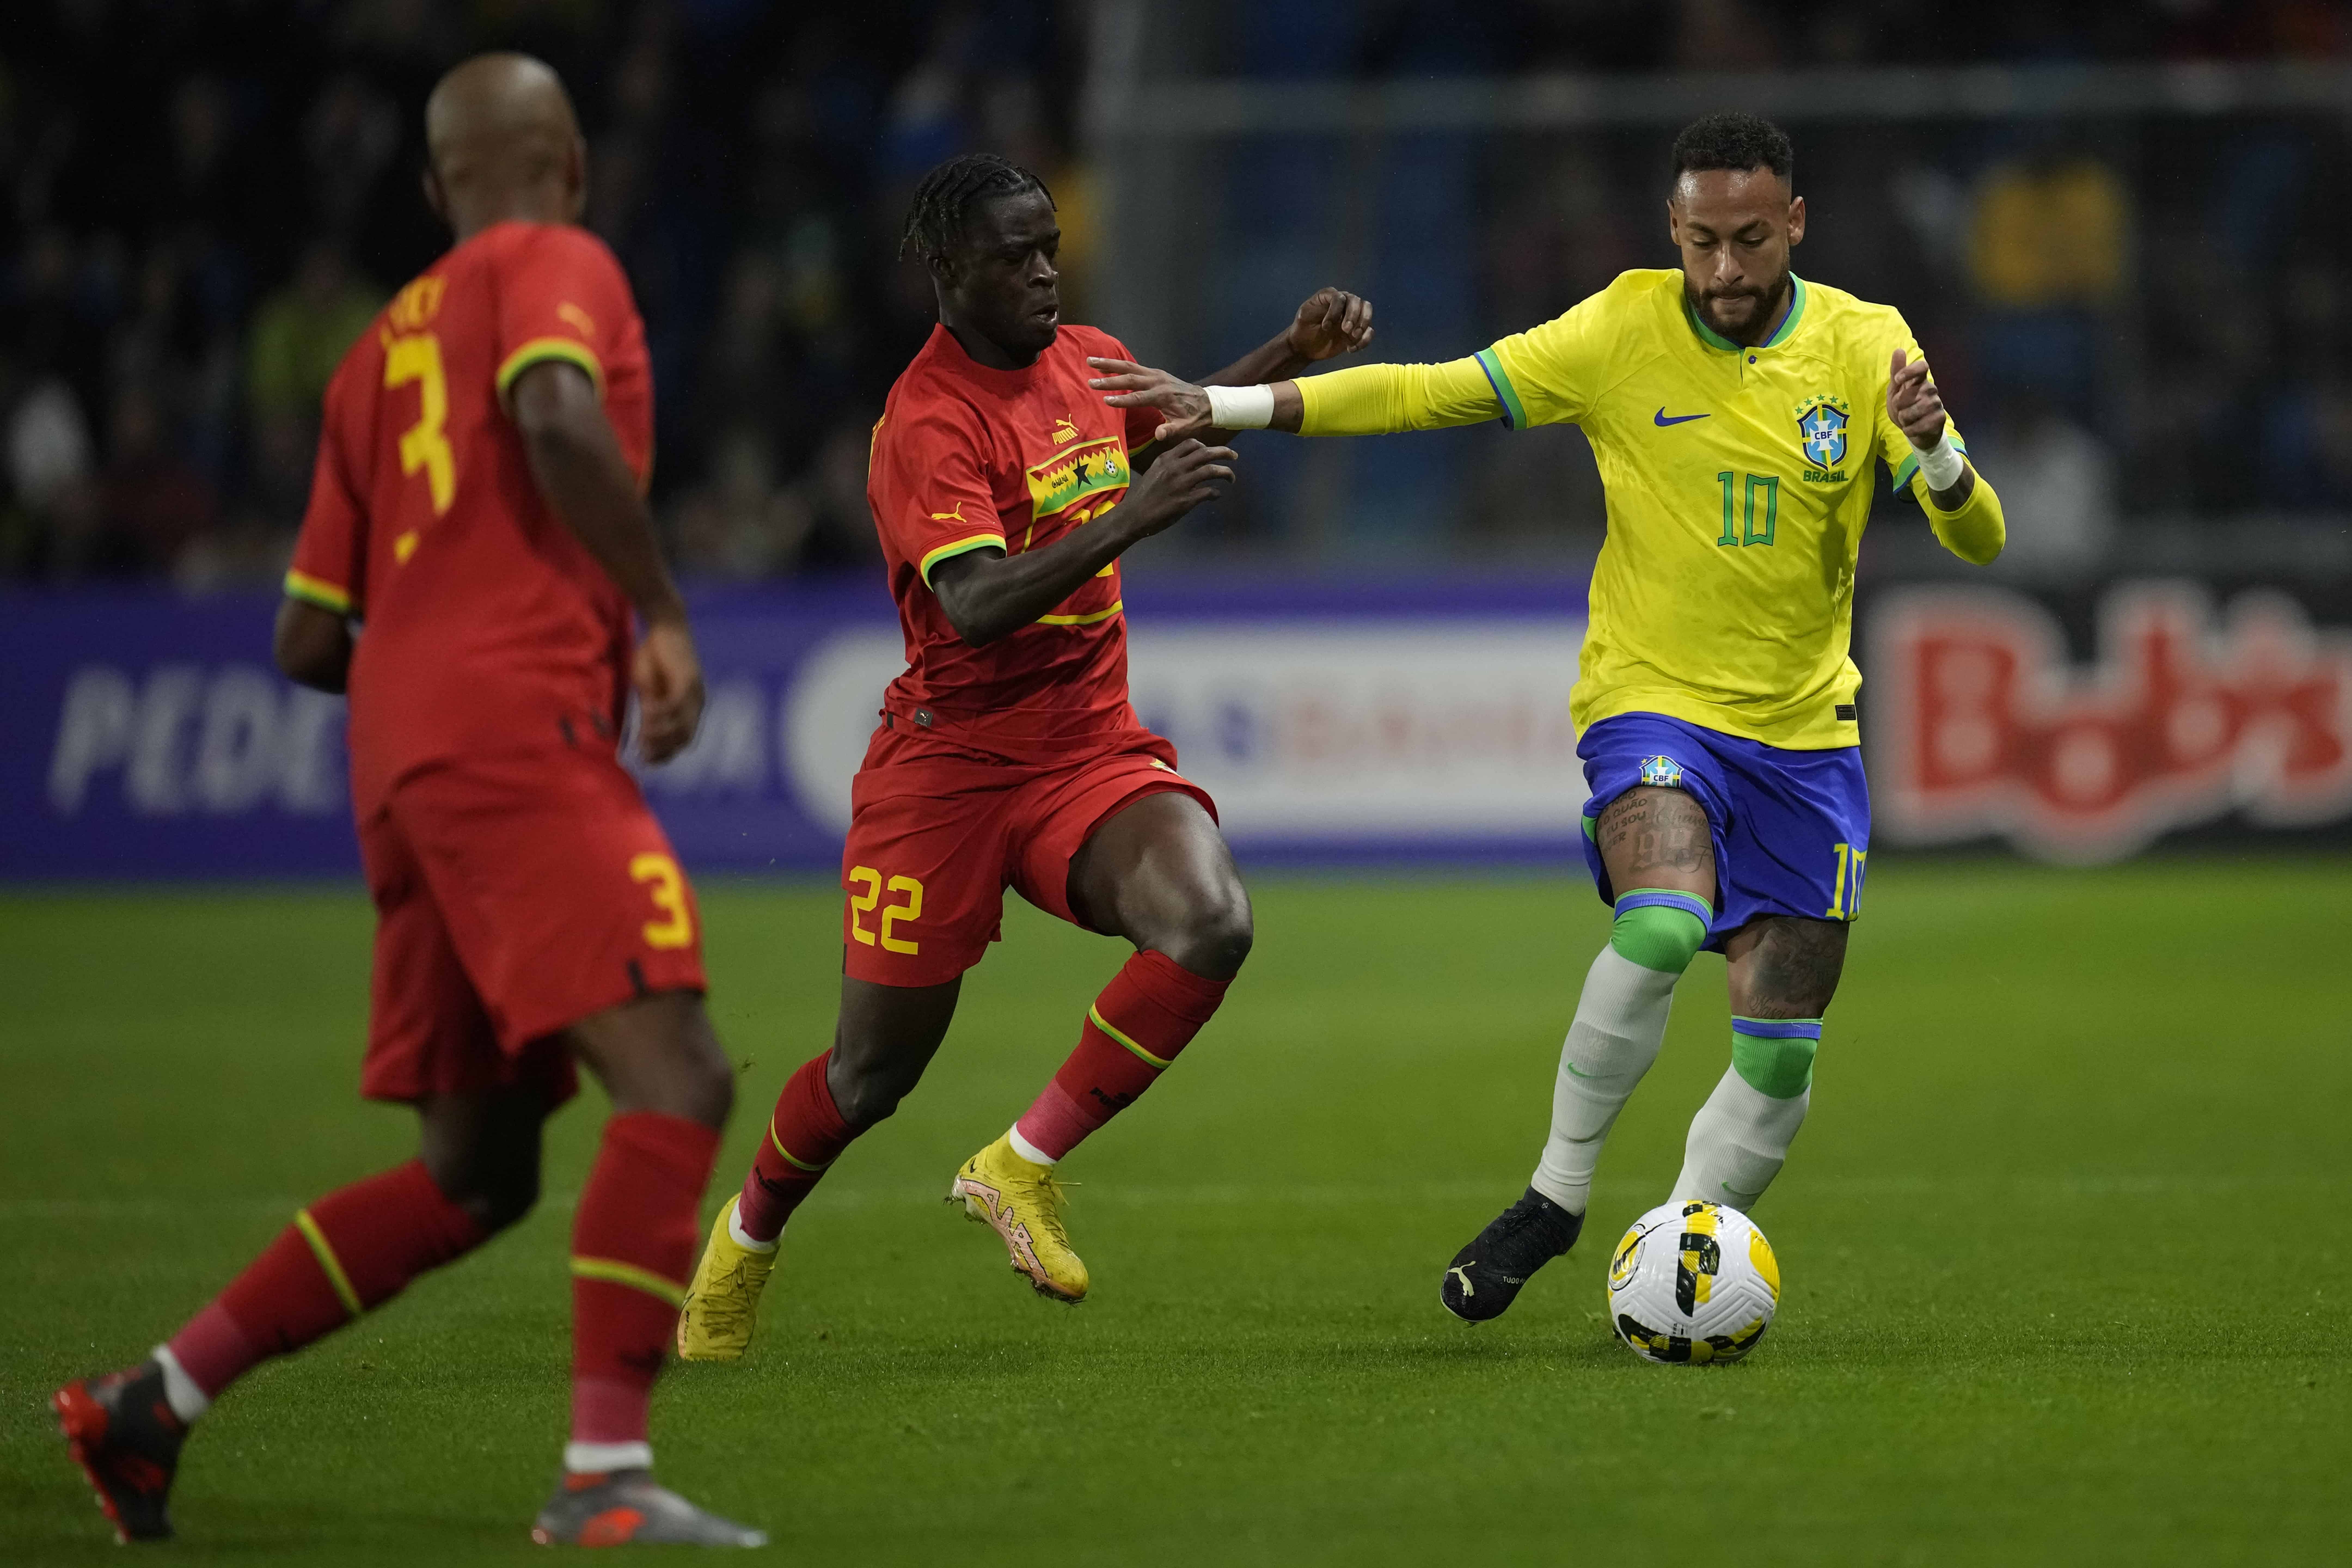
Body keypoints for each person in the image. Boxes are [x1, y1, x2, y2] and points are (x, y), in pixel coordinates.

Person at [1091, 113, 2007, 1322]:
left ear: (1795, 225)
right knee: (1667, 923)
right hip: (1652, 705)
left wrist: (1938, 454)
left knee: (1781, 1050)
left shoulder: (1863, 344)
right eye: (1702, 243)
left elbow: (1980, 536)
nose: (1726, 272)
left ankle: (1676, 1264)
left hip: (1807, 735)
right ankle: (1558, 1198)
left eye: (1750, 241)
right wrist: (1227, 404)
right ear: (1670, 231)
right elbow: (1432, 397)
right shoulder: (1620, 327)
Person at [51, 54, 763, 1547]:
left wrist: (435, 647)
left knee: (475, 1174)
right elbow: (561, 419)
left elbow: (307, 636)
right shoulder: (559, 261)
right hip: (518, 731)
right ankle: (603, 1484)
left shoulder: (373, 353)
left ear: (437, 186)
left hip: (400, 757)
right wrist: (659, 613)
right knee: (680, 1077)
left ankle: (148, 1407)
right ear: (569, 158)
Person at [674, 153, 1373, 1355]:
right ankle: (744, 1240)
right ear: (948, 272)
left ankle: (1021, 1163)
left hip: (1086, 748)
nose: (1044, 271)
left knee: (1210, 921)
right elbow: (977, 603)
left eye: (1049, 246)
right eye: (1014, 254)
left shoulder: (1083, 359)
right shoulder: (926, 424)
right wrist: (1131, 518)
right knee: (869, 1078)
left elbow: (1169, 416)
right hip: (947, 772)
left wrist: (1286, 354)